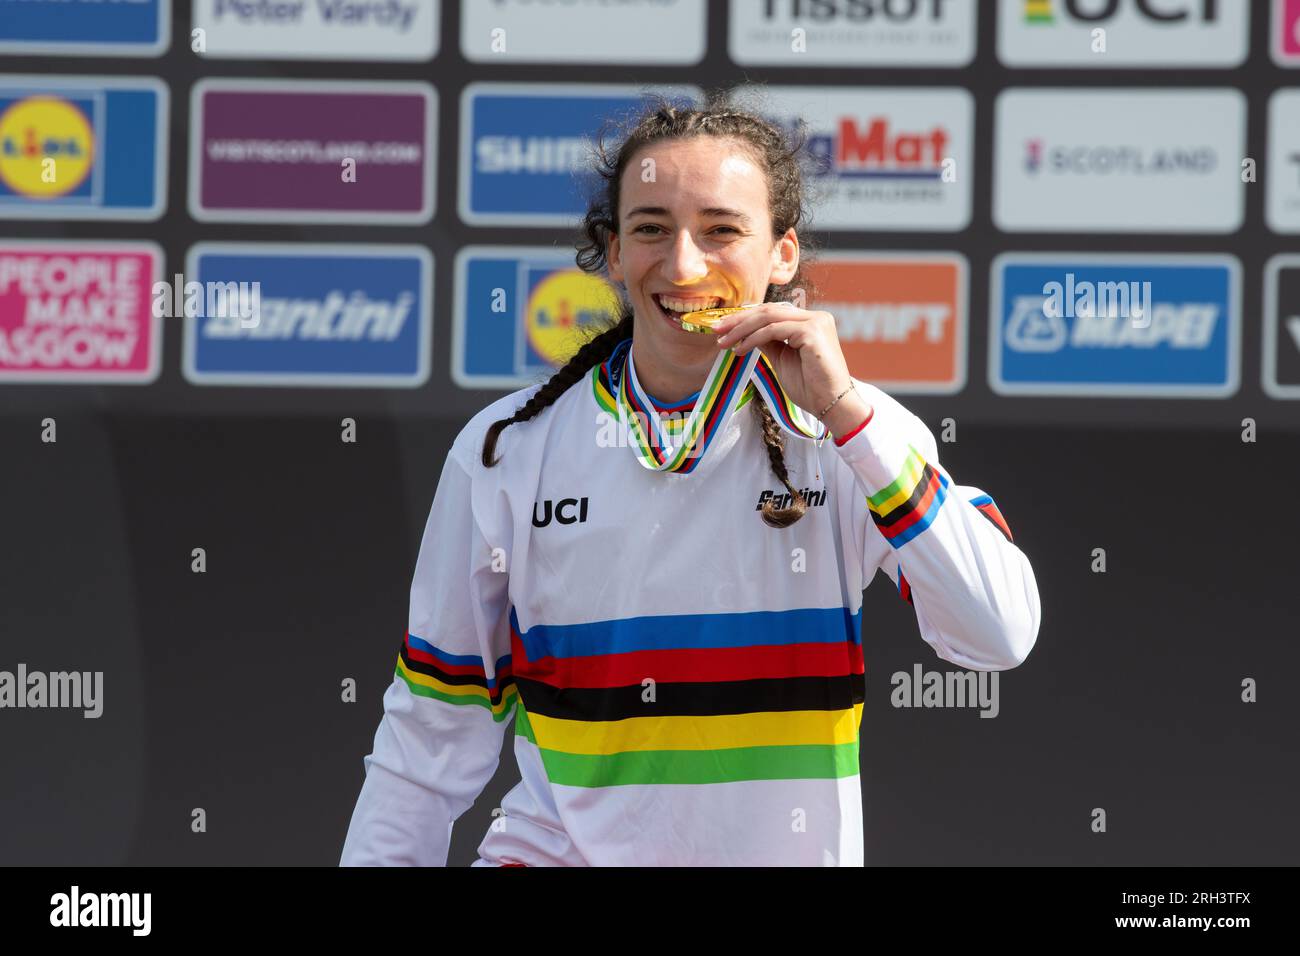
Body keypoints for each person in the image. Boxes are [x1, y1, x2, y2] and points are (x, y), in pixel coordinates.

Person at [339, 95, 1041, 867]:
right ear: (612, 253)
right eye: (649, 229)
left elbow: (997, 635)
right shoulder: (509, 450)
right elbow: (430, 731)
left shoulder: (855, 438)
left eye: (722, 231)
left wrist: (848, 418)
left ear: (783, 254)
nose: (682, 266)